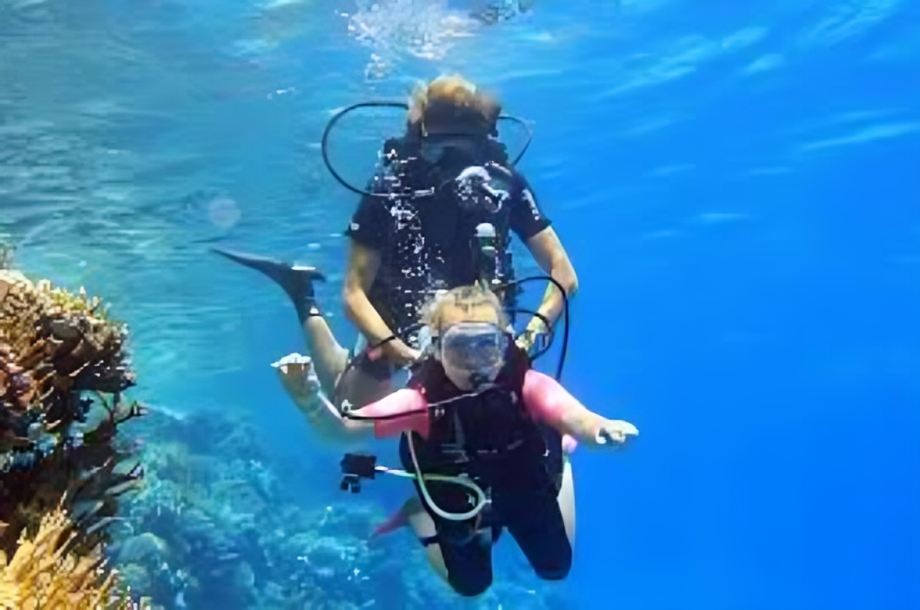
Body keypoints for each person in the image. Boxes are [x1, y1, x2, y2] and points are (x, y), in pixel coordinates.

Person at [214, 73, 577, 411]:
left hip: (480, 325)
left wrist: (529, 336)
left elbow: (564, 274)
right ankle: (302, 294)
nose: (456, 166)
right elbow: (354, 293)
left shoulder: (504, 184)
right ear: (420, 140)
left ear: (484, 142)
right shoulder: (391, 187)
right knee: (350, 410)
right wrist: (406, 355)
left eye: (465, 150)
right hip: (397, 319)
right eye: (443, 150)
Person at [338, 284, 638, 597]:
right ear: (437, 349)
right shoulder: (421, 399)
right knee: (471, 585)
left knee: (555, 567)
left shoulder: (526, 384)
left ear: (504, 344)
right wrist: (312, 402)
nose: (474, 361)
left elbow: (576, 416)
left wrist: (601, 429)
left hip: (520, 479)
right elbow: (345, 427)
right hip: (455, 492)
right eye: (459, 346)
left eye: (486, 344)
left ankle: (560, 457)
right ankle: (419, 514)